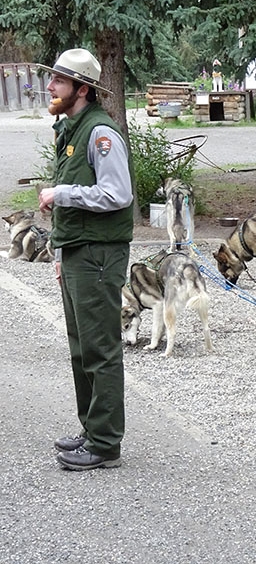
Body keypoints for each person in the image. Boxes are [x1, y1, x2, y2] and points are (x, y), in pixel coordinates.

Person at [37, 48, 134, 470]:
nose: (50, 86)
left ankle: (106, 444)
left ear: (82, 89)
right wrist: (61, 251)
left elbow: (118, 194)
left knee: (100, 349)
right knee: (81, 348)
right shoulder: (71, 129)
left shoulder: (99, 133)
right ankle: (92, 430)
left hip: (99, 255)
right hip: (79, 252)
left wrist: (62, 194)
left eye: (58, 80)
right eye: (52, 78)